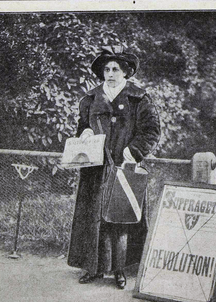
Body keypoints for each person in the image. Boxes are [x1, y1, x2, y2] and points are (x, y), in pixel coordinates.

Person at [67, 46, 160, 289]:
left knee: (121, 218)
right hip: (95, 168)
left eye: (115, 69)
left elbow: (151, 131)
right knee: (94, 217)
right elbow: (82, 126)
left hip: (124, 165)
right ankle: (94, 268)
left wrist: (134, 151)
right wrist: (85, 131)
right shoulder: (90, 99)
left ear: (126, 72)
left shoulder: (139, 98)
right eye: (106, 69)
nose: (110, 73)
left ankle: (120, 270)